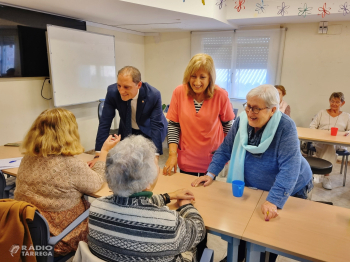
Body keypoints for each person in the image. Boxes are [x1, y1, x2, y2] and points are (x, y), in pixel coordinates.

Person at [191, 85, 313, 262]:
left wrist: (273, 200)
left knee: (268, 238)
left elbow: (290, 169)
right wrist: (210, 174)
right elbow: (226, 148)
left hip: (290, 187)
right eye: (247, 106)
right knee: (242, 230)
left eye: (256, 108)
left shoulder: (285, 127)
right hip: (253, 186)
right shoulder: (242, 121)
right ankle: (237, 256)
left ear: (273, 110)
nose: (250, 112)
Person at [14, 108, 120, 257]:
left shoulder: (28, 158)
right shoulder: (70, 165)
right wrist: (104, 152)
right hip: (61, 237)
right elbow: (96, 182)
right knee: (108, 216)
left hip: (26, 233)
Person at [88, 135, 206, 262]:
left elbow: (134, 205)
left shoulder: (95, 208)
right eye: (155, 163)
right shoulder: (169, 224)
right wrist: (186, 206)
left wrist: (168, 196)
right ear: (147, 182)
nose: (159, 168)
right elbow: (198, 229)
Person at [163, 53, 235, 177]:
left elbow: (228, 127)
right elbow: (174, 125)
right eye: (193, 76)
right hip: (187, 157)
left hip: (212, 158)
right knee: (187, 190)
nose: (197, 82)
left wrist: (226, 152)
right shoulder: (179, 92)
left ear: (210, 78)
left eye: (202, 77)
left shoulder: (221, 95)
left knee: (208, 193)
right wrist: (172, 154)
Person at [88, 66, 168, 167]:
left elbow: (156, 126)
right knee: (126, 161)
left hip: (149, 129)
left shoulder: (153, 95)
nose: (121, 91)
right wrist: (98, 155)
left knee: (146, 164)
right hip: (128, 127)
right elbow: (105, 122)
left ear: (138, 85)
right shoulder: (112, 92)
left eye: (126, 87)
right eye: (119, 85)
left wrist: (155, 157)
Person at [310, 92, 350, 190]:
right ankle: (326, 176)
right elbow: (312, 126)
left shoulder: (347, 116)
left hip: (338, 143)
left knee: (330, 146)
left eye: (337, 102)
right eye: (332, 101)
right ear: (329, 101)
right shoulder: (322, 113)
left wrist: (347, 133)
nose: (334, 104)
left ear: (342, 103)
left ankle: (318, 175)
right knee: (328, 146)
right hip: (321, 141)